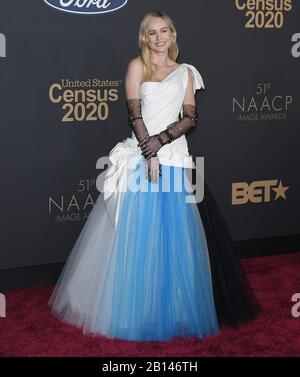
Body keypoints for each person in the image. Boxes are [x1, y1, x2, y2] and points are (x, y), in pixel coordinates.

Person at [48, 10, 260, 341]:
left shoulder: (186, 72)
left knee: (177, 241)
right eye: (152, 32)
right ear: (144, 38)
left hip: (174, 158)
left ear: (173, 35)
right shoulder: (137, 67)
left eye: (164, 31)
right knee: (135, 239)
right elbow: (134, 114)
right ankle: (134, 309)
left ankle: (174, 307)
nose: (159, 37)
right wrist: (149, 152)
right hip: (140, 158)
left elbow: (190, 117)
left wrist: (160, 145)